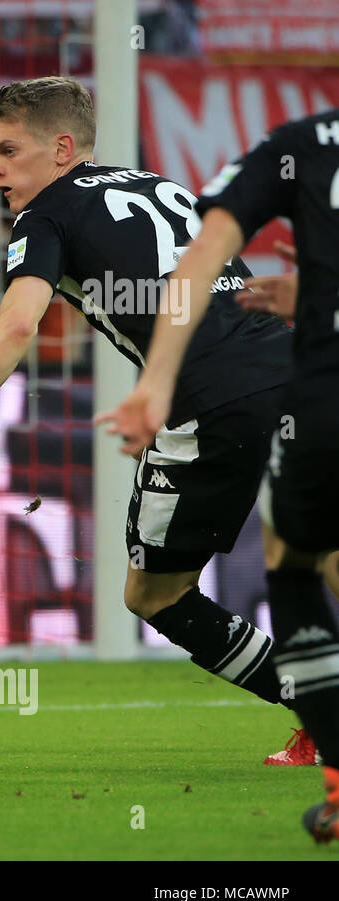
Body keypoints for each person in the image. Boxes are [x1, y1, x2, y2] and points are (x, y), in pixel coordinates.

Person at [0, 76, 323, 764]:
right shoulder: (151, 181)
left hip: (210, 400)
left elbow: (16, 326)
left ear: (61, 149)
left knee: (155, 592)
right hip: (294, 369)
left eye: (6, 150)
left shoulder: (46, 216)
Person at [101, 109, 339, 841]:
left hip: (322, 390)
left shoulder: (304, 143)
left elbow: (203, 258)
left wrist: (156, 381)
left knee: (295, 565)